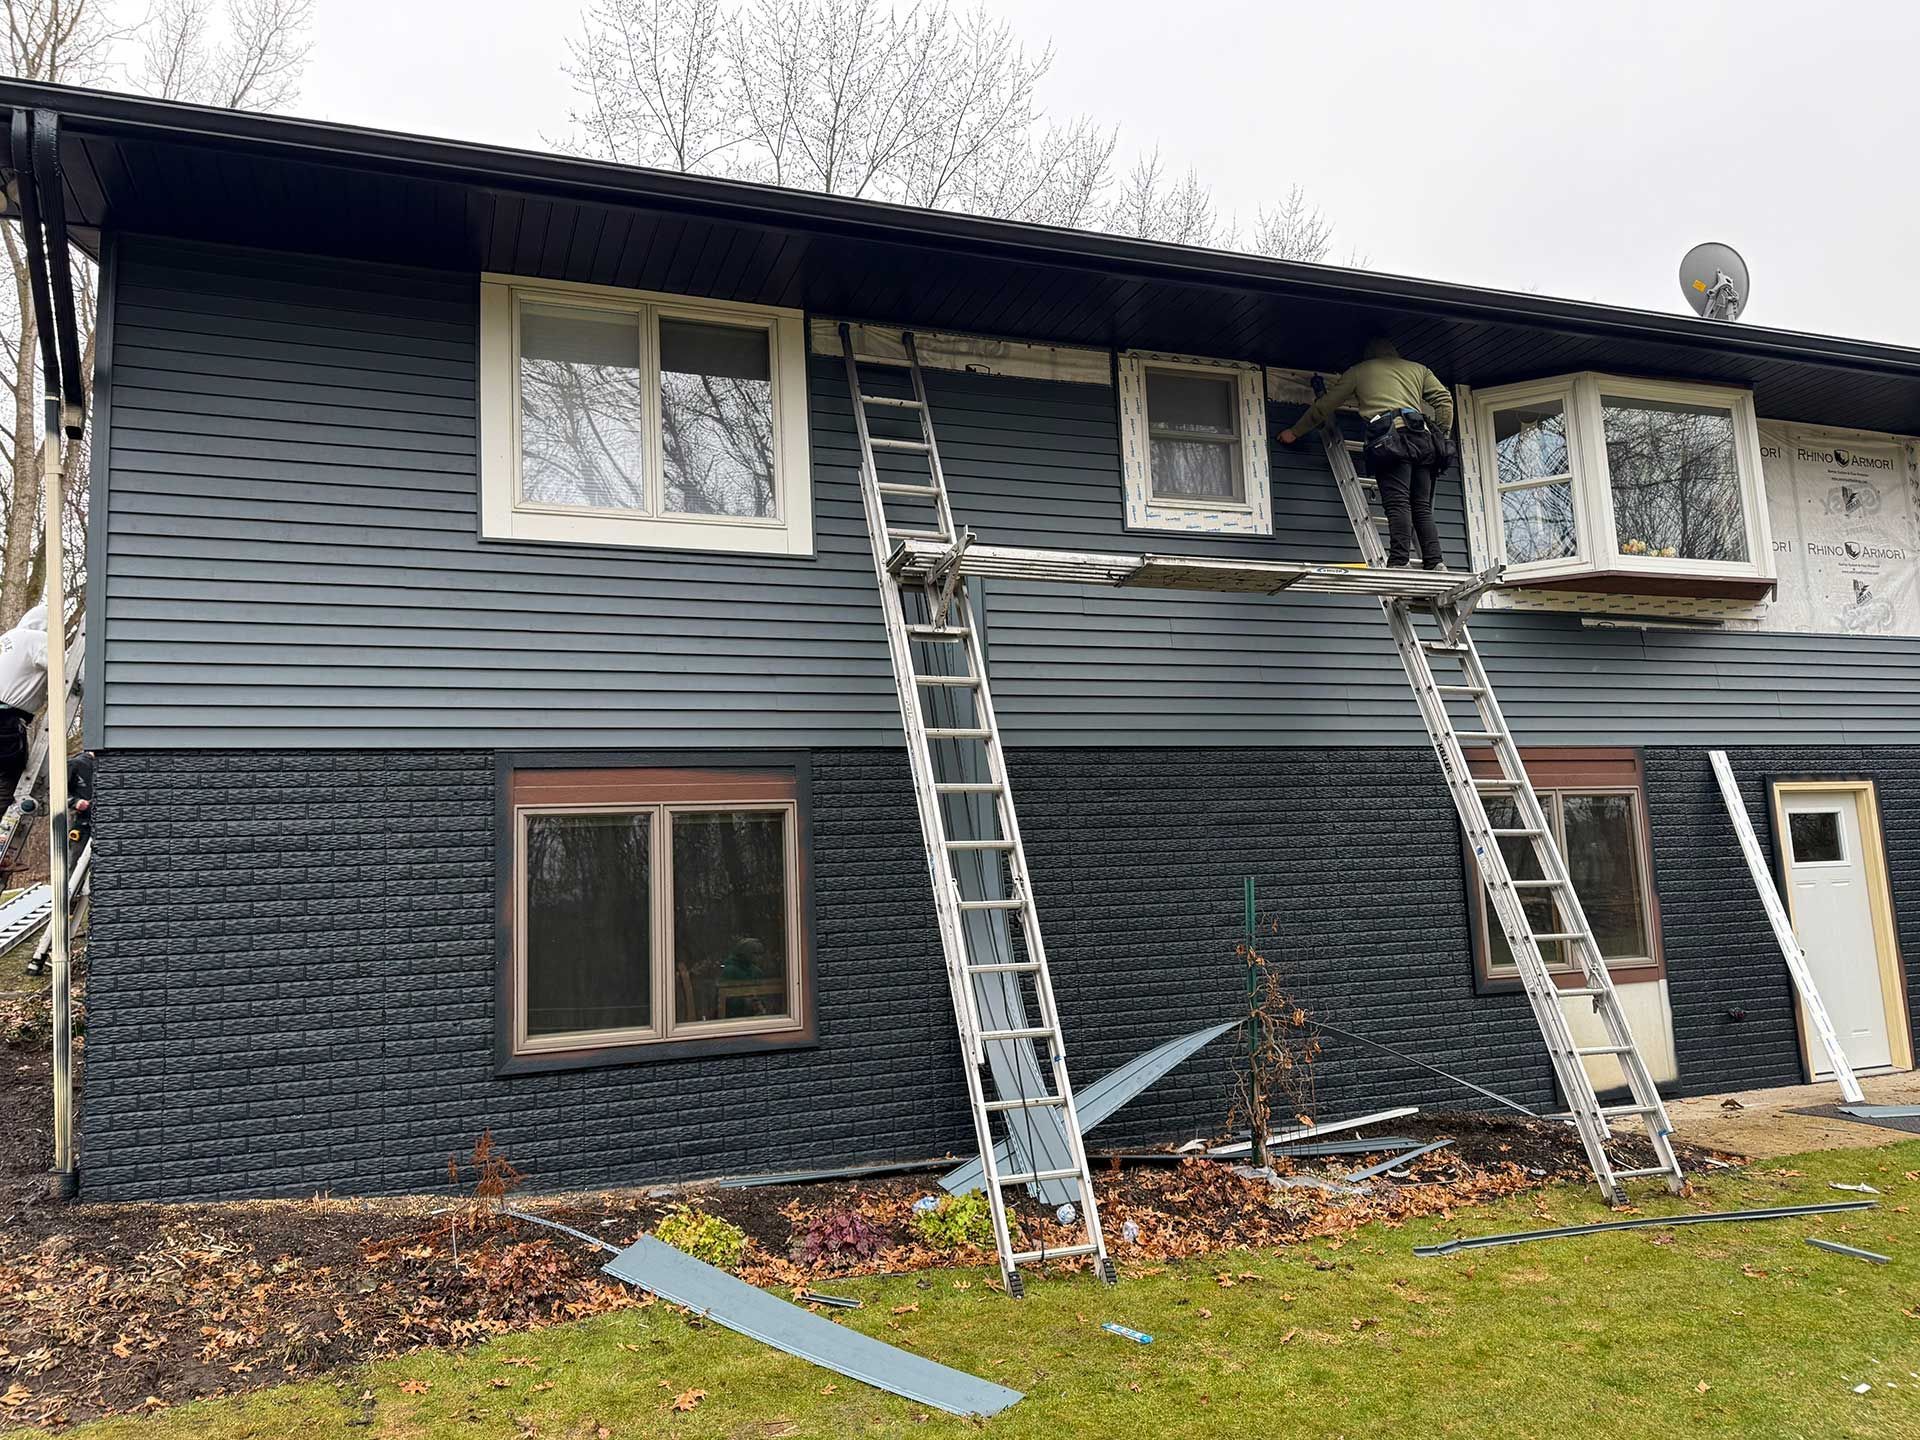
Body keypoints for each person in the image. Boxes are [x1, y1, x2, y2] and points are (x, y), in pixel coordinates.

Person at [1280, 338, 1456, 570]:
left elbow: (1324, 406)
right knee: (1421, 506)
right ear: (1395, 353)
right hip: (1423, 441)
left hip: (1390, 440)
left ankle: (1399, 562)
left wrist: (1294, 432)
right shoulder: (1419, 369)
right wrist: (1441, 435)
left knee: (1398, 503)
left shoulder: (1359, 371)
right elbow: (1444, 401)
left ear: (1369, 354)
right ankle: (1435, 562)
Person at [0, 604, 49, 800]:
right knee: (8, 777)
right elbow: (64, 668)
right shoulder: (38, 638)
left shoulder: (7, 638)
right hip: (6, 720)